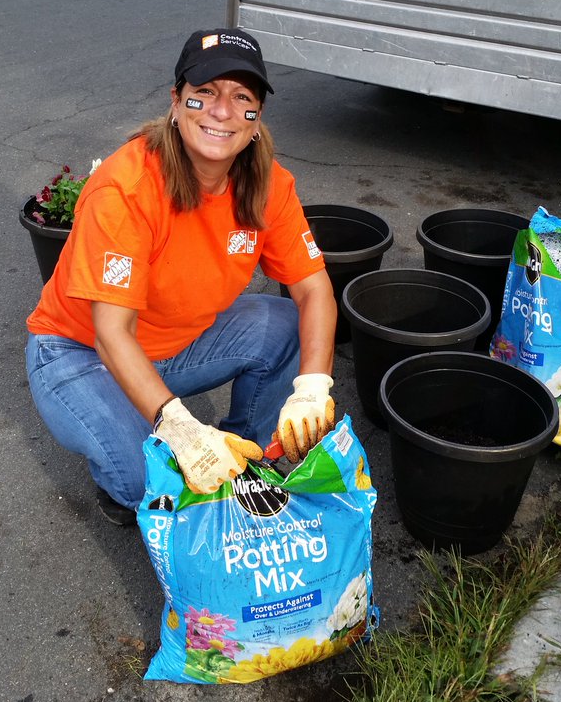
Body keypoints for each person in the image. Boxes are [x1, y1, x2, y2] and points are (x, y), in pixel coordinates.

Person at [25, 28, 337, 524]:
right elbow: (111, 333)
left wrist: (313, 388)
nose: (222, 111)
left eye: (242, 98)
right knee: (149, 483)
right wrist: (180, 428)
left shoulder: (268, 185)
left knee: (287, 327)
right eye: (204, 93)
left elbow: (314, 288)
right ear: (176, 101)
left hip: (176, 344)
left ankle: (245, 458)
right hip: (81, 353)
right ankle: (128, 468)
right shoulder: (127, 188)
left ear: (257, 119)